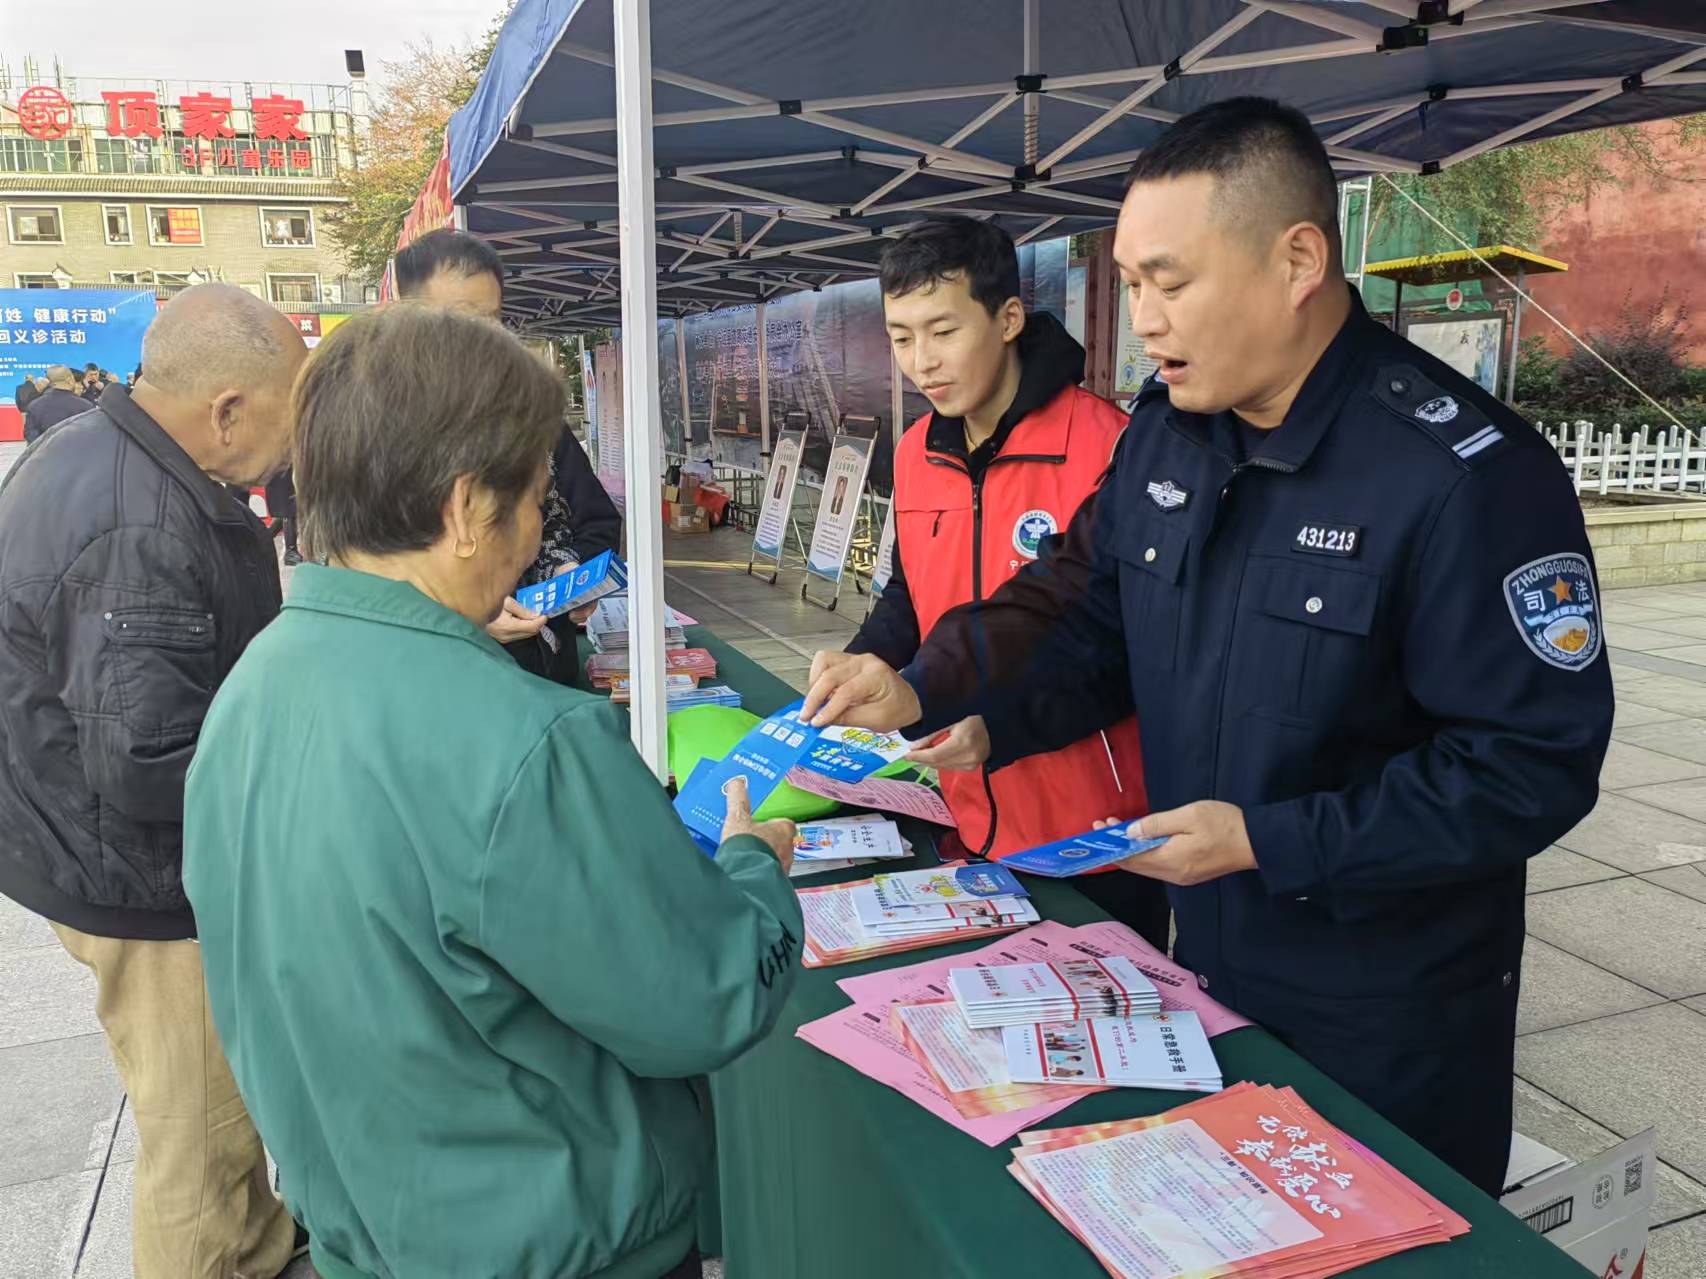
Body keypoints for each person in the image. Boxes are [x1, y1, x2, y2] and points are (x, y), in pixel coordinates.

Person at [801, 97, 1612, 1196]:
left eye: (1168, 283)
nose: (1142, 322)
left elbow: (1527, 764)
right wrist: (958, 700)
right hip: (1202, 968)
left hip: (1386, 1011)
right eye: (1130, 283)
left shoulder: (1461, 475)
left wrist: (1270, 840)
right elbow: (1088, 622)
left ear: (1295, 260)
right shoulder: (1167, 440)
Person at [182, 303, 803, 1279]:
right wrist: (753, 872)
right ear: (469, 510)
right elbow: (702, 998)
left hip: (369, 1236)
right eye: (531, 503)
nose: (532, 539)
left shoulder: (251, 692)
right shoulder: (526, 739)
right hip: (556, 1248)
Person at [0, 284, 307, 1278]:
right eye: (287, 410)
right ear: (227, 408)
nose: (295, 439)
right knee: (200, 1139)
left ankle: (260, 1248)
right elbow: (148, 760)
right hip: (137, 872)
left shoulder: (105, 447)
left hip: (79, 834)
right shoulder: (141, 523)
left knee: (212, 1111)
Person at [848, 217, 1161, 945]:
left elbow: (1129, 652)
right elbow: (909, 594)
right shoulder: (914, 451)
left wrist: (1003, 729)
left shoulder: (1109, 446)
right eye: (901, 337)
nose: (922, 361)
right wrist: (866, 660)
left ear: (1009, 318)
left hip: (1098, 834)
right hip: (964, 817)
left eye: (943, 330)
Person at [396, 228, 623, 685]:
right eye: (462, 321)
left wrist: (568, 575)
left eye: (494, 319)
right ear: (410, 317)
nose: (485, 339)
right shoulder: (381, 432)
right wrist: (470, 612)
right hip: (438, 678)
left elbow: (595, 521)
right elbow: (363, 574)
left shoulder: (532, 418)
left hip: (541, 669)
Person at [23, 365, 94, 443]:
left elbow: (30, 436)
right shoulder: (86, 406)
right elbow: (91, 437)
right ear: (70, 380)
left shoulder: (34, 406)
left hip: (45, 453)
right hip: (76, 453)